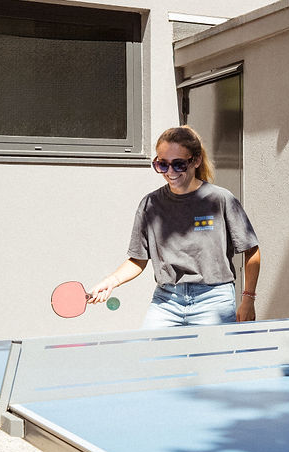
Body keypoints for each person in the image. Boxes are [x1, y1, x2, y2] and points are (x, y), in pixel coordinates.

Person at [89, 126, 261, 326]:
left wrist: (248, 298)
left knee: (211, 358)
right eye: (162, 165)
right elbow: (138, 259)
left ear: (195, 161)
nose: (170, 172)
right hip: (166, 301)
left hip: (214, 299)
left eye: (178, 164)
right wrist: (111, 281)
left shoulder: (220, 199)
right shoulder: (150, 204)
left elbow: (252, 251)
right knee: (150, 356)